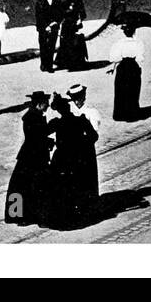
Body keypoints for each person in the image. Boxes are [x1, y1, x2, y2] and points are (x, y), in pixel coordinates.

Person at [45, 87, 99, 229]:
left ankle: (62, 216)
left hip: (61, 159)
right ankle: (79, 214)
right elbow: (94, 136)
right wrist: (82, 144)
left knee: (59, 187)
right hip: (77, 158)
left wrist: (51, 143)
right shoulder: (80, 120)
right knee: (77, 186)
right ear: (69, 108)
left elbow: (42, 132)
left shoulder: (56, 123)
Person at [6, 91, 54, 224]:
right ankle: (37, 217)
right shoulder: (35, 118)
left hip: (27, 155)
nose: (48, 106)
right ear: (39, 104)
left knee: (21, 186)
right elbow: (38, 137)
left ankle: (21, 216)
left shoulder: (31, 116)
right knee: (38, 186)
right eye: (46, 104)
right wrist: (49, 140)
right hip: (36, 156)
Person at [109, 26, 144, 121]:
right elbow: (140, 58)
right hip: (133, 67)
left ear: (124, 32)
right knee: (133, 89)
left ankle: (120, 114)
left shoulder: (119, 43)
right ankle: (132, 113)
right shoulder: (138, 43)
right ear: (134, 31)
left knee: (121, 90)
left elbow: (114, 58)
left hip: (123, 67)